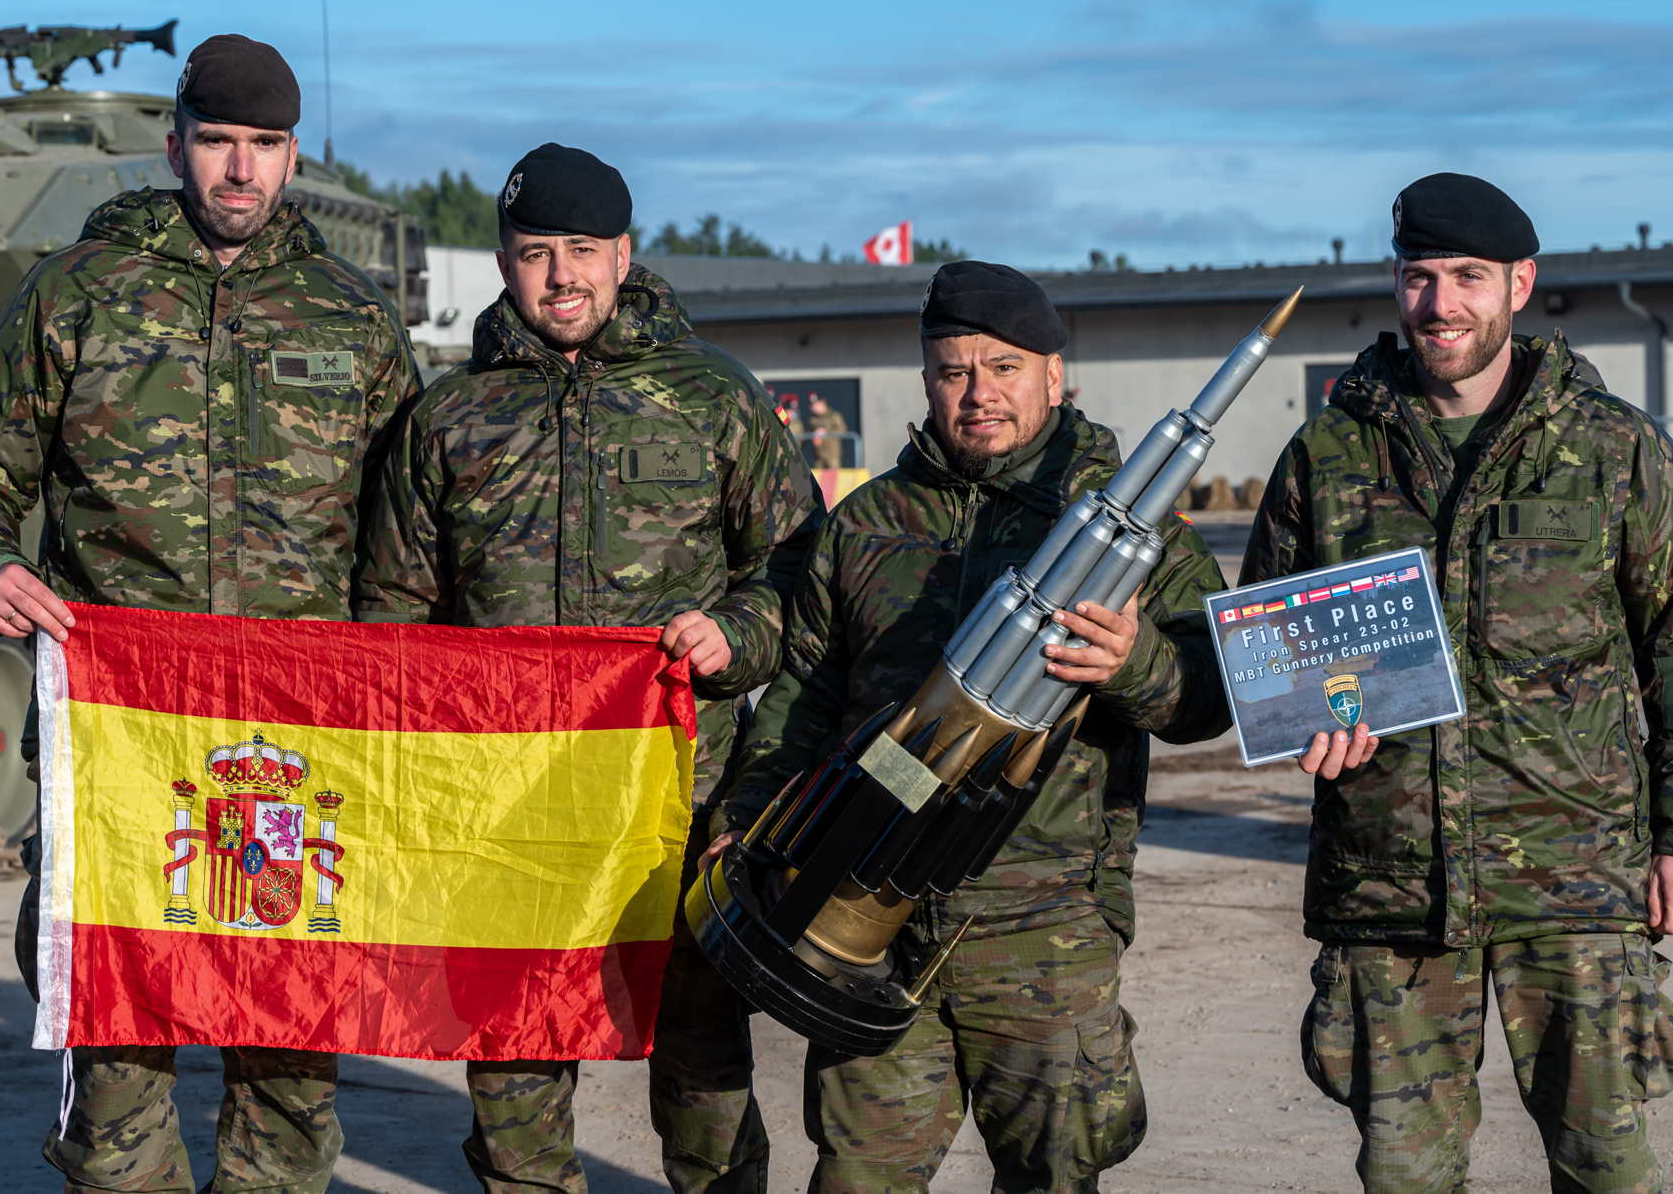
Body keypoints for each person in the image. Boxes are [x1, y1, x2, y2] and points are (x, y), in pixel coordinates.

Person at [0, 33, 420, 1194]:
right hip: (121, 744)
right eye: (219, 142)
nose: (240, 170)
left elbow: (411, 529)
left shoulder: (352, 318)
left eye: (265, 146)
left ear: (293, 157)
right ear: (175, 143)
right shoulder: (79, 292)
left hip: (298, 749)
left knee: (286, 1065)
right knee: (119, 1062)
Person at [1241, 172, 1673, 1193]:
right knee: (1406, 1175)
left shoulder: (1609, 450)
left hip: (1576, 883)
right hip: (1388, 891)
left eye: (1466, 276)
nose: (1439, 303)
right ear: (1393, 282)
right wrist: (1312, 719)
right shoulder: (1326, 457)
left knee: (1603, 1165)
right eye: (1418, 276)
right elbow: (1271, 650)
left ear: (1519, 283)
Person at [354, 142, 824, 1194]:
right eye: (533, 254)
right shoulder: (450, 416)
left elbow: (801, 574)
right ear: (502, 264)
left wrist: (732, 637)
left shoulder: (712, 399)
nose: (559, 275)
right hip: (506, 811)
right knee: (513, 1074)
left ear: (622, 253)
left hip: (681, 799)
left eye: (580, 249)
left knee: (701, 1067)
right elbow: (390, 615)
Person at [712, 260, 1231, 1194]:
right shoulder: (866, 523)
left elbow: (1214, 696)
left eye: (1003, 369)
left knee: (1052, 1176)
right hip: (866, 922)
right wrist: (745, 819)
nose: (978, 393)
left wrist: (1136, 664)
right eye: (954, 371)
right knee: (857, 1175)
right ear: (926, 381)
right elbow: (802, 696)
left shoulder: (1123, 525)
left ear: (1052, 376)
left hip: (1043, 932)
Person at [807, 393, 849, 470]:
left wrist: (826, 432)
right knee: (816, 477)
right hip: (818, 455)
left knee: (834, 477)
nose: (813, 407)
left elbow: (842, 430)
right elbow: (808, 433)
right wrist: (813, 436)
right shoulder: (812, 419)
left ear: (823, 404)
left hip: (832, 454)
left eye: (816, 404)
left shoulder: (834, 416)